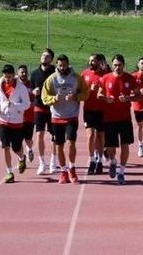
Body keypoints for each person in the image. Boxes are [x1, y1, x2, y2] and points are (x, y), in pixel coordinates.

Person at [41, 54, 88, 184]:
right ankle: (63, 171)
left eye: (64, 65)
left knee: (71, 143)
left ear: (68, 64)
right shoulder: (51, 79)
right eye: (60, 65)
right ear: (57, 65)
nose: (62, 67)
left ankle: (72, 168)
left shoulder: (76, 78)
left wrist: (75, 97)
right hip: (57, 117)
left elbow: (86, 93)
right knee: (59, 145)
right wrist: (53, 99)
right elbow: (44, 98)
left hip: (71, 116)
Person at [98, 54, 138, 185]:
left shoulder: (129, 78)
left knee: (125, 144)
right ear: (112, 65)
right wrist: (105, 99)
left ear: (123, 65)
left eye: (119, 65)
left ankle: (122, 171)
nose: (117, 67)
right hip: (109, 118)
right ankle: (113, 161)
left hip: (125, 118)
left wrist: (128, 99)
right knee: (110, 146)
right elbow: (99, 94)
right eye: (115, 65)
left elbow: (138, 95)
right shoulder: (105, 78)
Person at [0, 64, 31, 183]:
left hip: (16, 122)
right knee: (5, 147)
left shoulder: (21, 88)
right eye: (6, 76)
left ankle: (21, 158)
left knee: (16, 147)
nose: (8, 79)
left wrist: (15, 106)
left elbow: (27, 104)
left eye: (10, 77)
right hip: (3, 121)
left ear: (14, 75)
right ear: (3, 75)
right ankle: (9, 172)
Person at [30, 49, 57, 175]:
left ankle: (53, 161)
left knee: (54, 136)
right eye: (42, 55)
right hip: (39, 108)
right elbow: (31, 88)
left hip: (52, 108)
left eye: (47, 56)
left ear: (51, 59)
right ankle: (42, 162)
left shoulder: (55, 72)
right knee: (39, 135)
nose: (44, 57)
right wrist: (33, 91)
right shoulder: (35, 73)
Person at [81, 54, 107, 175]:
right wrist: (87, 90)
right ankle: (92, 160)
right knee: (91, 135)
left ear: (99, 62)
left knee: (100, 136)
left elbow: (109, 91)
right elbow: (78, 90)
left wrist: (98, 91)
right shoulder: (84, 74)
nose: (91, 62)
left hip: (101, 109)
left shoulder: (105, 75)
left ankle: (100, 161)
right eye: (90, 60)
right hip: (88, 110)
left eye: (94, 61)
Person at [17, 65, 35, 163]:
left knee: (28, 139)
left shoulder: (31, 84)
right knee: (18, 141)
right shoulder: (15, 85)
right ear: (17, 73)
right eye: (22, 72)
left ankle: (29, 149)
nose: (24, 74)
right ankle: (21, 159)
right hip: (17, 118)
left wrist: (32, 103)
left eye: (25, 72)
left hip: (29, 117)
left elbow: (35, 99)